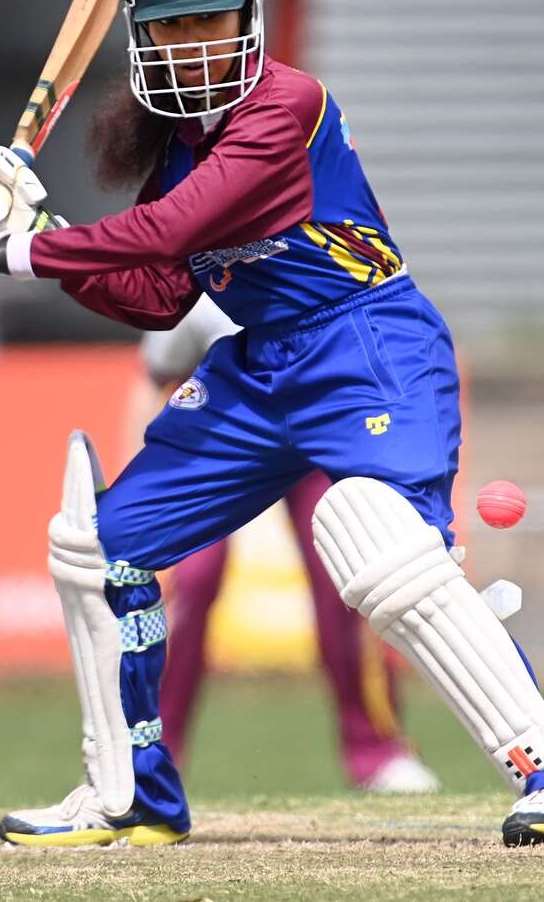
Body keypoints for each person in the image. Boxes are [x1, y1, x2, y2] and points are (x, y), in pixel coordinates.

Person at [0, 0, 544, 848]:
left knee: (371, 540)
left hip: (370, 343)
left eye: (208, 23)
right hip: (262, 369)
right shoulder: (175, 149)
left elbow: (171, 234)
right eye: (171, 28)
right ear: (141, 34)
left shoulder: (287, 108)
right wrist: (25, 232)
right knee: (96, 549)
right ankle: (130, 793)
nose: (190, 46)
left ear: (250, 13)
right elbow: (155, 296)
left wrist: (17, 248)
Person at [139, 294, 440, 793]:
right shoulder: (206, 281)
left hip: (316, 442)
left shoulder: (328, 275)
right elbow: (157, 375)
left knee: (347, 576)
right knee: (192, 577)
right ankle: (153, 758)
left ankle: (378, 751)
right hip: (219, 442)